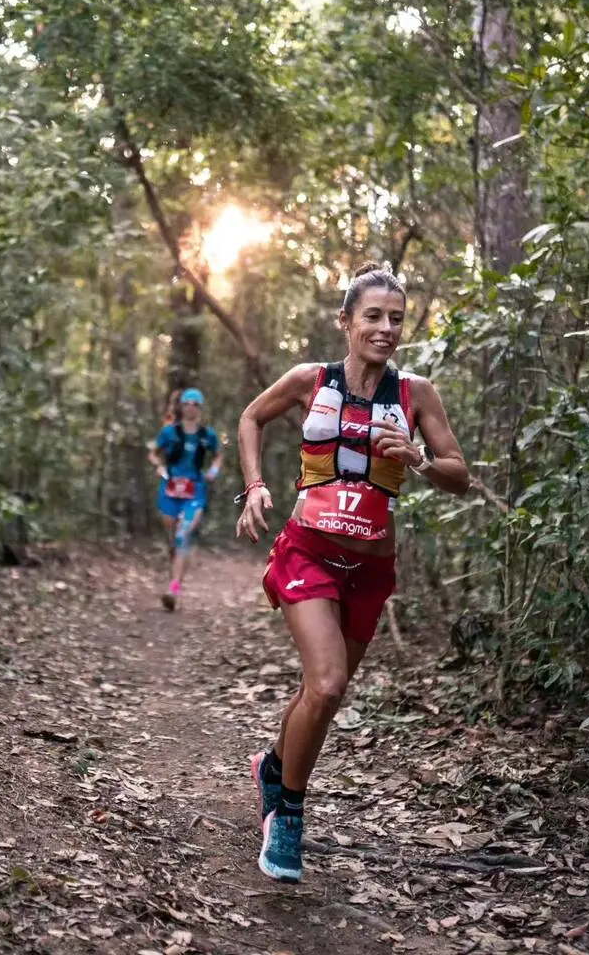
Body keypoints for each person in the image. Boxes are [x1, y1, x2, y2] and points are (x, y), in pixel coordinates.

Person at [234, 262, 469, 883]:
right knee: (330, 683)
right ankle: (286, 812)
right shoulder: (311, 380)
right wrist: (255, 485)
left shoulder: (417, 393)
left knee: (320, 693)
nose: (386, 328)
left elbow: (459, 476)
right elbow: (251, 418)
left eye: (396, 318)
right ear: (346, 321)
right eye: (373, 316)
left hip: (370, 568)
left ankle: (273, 766)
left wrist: (419, 459)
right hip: (308, 551)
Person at [148, 387, 223, 610]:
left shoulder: (207, 435)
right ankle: (176, 568)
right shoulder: (169, 432)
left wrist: (213, 472)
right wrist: (159, 465)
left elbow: (218, 455)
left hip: (194, 492)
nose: (190, 407)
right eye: (187, 403)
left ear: (200, 408)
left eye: (195, 404)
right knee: (173, 539)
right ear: (181, 406)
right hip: (170, 490)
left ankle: (173, 589)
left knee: (183, 535)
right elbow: (153, 452)